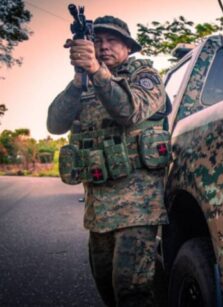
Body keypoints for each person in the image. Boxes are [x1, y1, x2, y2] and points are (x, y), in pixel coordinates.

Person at [47, 15, 169, 306]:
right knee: (108, 290)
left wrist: (97, 72)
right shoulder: (84, 82)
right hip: (98, 210)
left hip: (138, 207)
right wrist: (79, 80)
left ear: (128, 46)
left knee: (132, 292)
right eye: (97, 41)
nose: (104, 47)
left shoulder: (144, 75)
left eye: (112, 40)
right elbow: (54, 124)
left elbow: (129, 111)